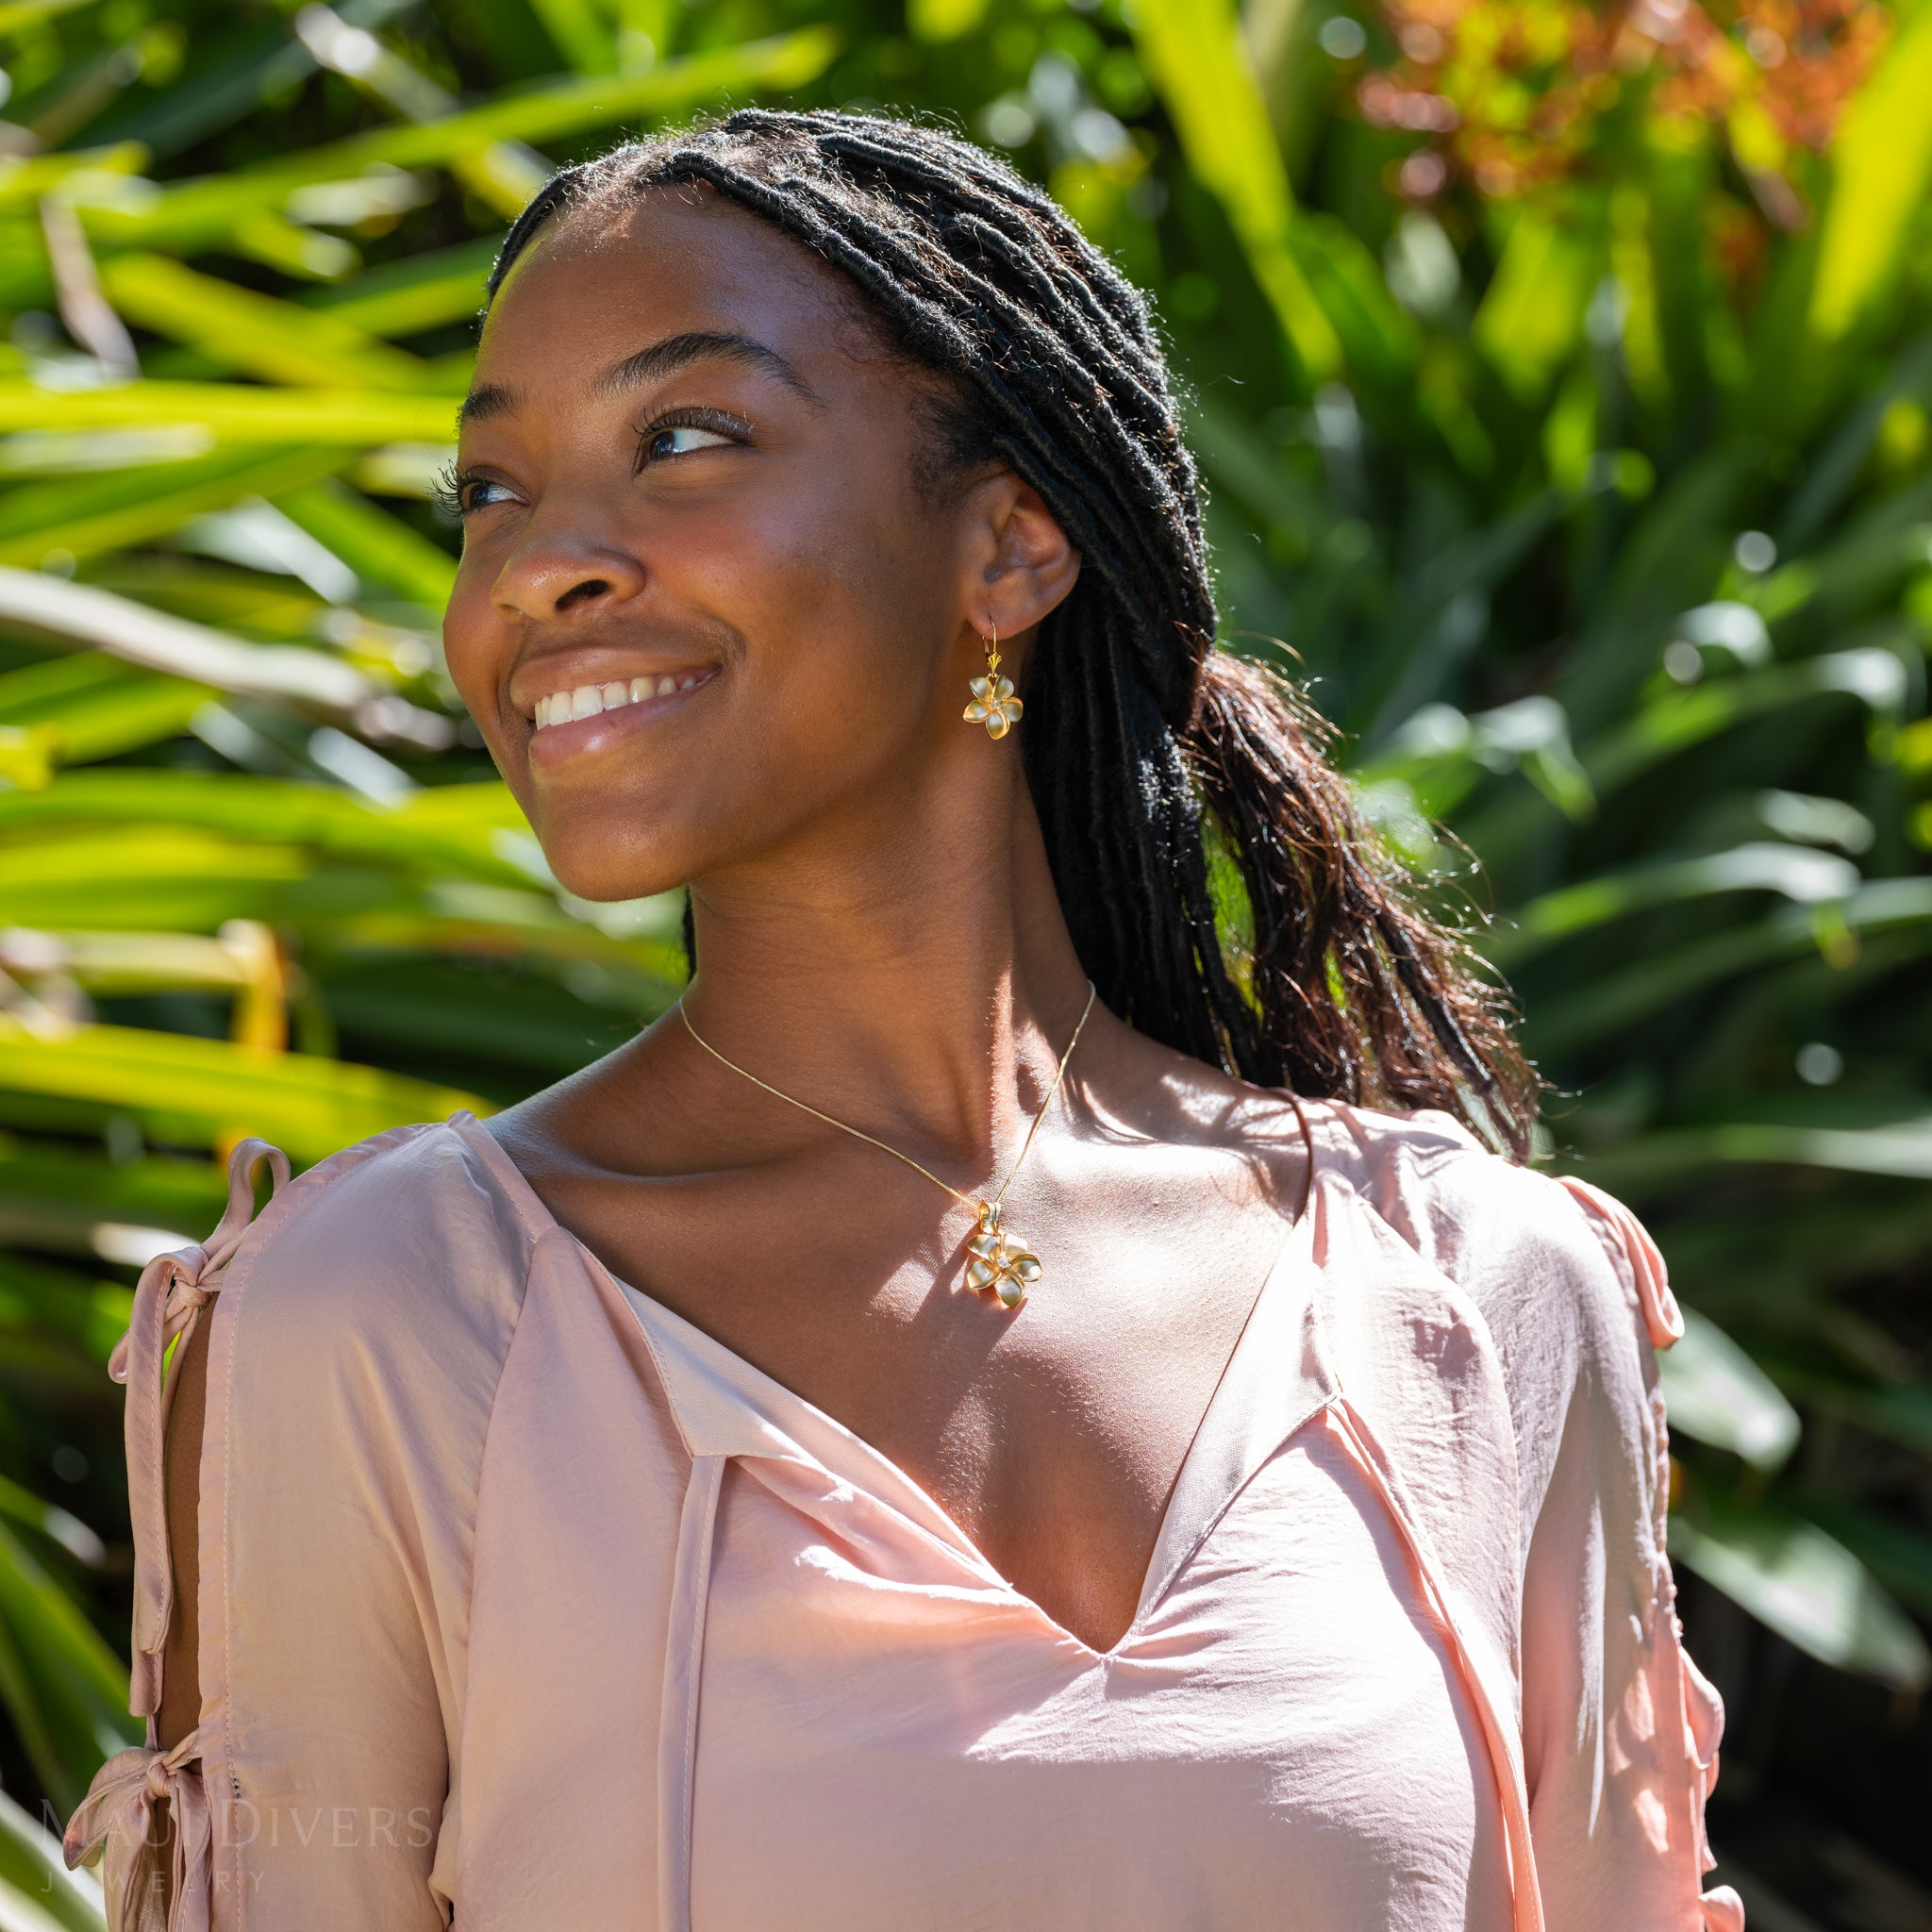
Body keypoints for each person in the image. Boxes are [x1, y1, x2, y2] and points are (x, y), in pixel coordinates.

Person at [66, 109, 1740, 1932]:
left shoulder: (1477, 1295)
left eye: (684, 437)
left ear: (1011, 549)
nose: (541, 565)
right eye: (490, 493)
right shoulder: (394, 1316)